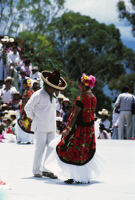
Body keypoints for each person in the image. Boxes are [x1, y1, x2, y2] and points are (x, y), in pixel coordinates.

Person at [45, 73, 102, 184]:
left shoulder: (81, 98)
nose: (78, 86)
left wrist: (68, 129)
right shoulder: (93, 97)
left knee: (71, 151)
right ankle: (82, 176)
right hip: (89, 129)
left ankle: (73, 176)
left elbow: (74, 115)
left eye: (80, 84)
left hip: (79, 129)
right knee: (84, 152)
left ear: (84, 85)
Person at [24, 70, 67, 178]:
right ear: (48, 85)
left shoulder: (53, 96)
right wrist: (34, 117)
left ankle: (46, 169)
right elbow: (27, 108)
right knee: (40, 148)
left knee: (52, 148)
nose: (55, 89)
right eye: (53, 87)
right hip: (41, 126)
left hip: (51, 126)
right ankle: (36, 170)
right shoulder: (38, 94)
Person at [15, 78, 34, 144]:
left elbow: (25, 101)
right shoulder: (31, 91)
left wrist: (22, 109)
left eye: (23, 84)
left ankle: (22, 138)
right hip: (29, 111)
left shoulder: (27, 92)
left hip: (25, 111)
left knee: (23, 124)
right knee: (28, 125)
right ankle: (29, 139)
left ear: (25, 84)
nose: (23, 85)